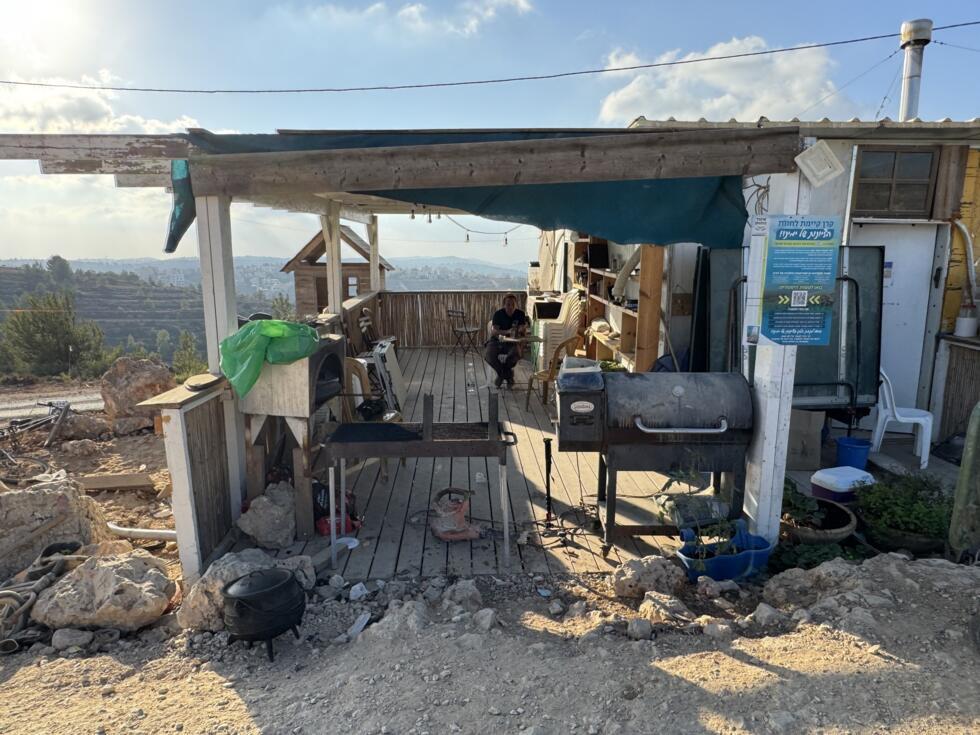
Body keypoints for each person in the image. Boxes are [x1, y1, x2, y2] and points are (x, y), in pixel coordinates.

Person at [484, 293, 527, 388]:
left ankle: (501, 375)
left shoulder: (520, 314)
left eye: (513, 304)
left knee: (516, 354)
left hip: (513, 342)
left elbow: (522, 328)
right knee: (489, 355)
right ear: (504, 304)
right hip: (497, 341)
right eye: (508, 304)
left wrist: (521, 329)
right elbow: (494, 331)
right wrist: (507, 331)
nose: (510, 307)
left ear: (516, 304)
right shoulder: (498, 314)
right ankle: (508, 375)